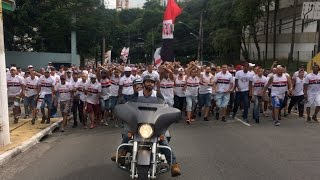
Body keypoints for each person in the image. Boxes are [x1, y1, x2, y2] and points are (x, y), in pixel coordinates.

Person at [111, 75, 181, 177]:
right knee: (127, 135)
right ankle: (122, 152)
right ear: (143, 84)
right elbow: (128, 107)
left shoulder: (158, 95)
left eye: (152, 82)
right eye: (148, 82)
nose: (150, 84)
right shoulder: (136, 95)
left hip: (154, 125)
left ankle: (174, 164)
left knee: (163, 141)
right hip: (138, 125)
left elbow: (165, 108)